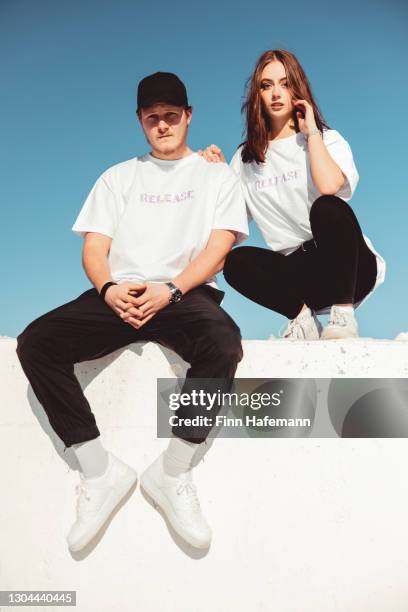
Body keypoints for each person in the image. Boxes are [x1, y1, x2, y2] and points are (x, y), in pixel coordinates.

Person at [16, 71, 249, 552]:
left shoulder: (215, 176)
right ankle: (99, 472)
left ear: (188, 116)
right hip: (118, 293)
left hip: (183, 294)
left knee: (223, 343)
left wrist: (174, 290)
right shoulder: (117, 177)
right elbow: (95, 250)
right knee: (36, 343)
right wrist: (106, 289)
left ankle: (173, 472)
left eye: (170, 116)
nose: (162, 125)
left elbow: (220, 248)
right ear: (141, 121)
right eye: (152, 118)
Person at [199, 49, 385, 340]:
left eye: (285, 84)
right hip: (298, 276)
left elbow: (329, 187)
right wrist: (217, 174)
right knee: (235, 262)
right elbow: (228, 218)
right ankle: (303, 320)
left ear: (297, 89)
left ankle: (343, 315)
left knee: (327, 207)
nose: (276, 93)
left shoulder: (327, 139)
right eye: (267, 85)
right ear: (257, 94)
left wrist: (312, 134)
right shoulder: (245, 158)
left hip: (350, 269)